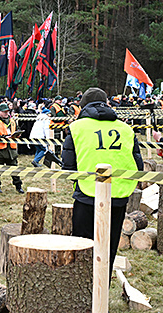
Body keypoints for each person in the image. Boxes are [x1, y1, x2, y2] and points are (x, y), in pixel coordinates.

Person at [62, 87, 143, 281]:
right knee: (109, 247)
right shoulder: (125, 129)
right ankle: (102, 290)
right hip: (118, 196)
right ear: (107, 104)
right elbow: (138, 165)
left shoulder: (76, 128)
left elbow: (68, 168)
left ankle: (82, 289)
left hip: (86, 194)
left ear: (83, 106)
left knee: (82, 246)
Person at [0, 103, 24, 194]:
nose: (6, 113)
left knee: (14, 170)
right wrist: (4, 137)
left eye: (7, 111)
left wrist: (18, 134)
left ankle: (18, 186)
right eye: (4, 112)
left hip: (11, 150)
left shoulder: (12, 121)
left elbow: (17, 128)